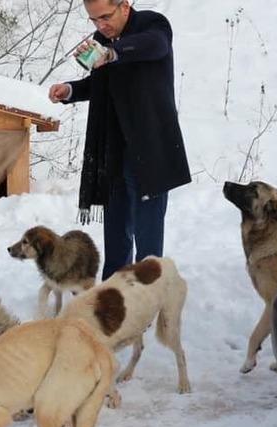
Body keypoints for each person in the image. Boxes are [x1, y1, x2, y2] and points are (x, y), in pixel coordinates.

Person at [48, 0, 190, 280]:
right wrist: (69, 90)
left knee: (147, 242)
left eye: (105, 17)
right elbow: (99, 85)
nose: (100, 26)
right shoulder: (102, 40)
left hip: (149, 151)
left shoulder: (153, 24)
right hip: (112, 152)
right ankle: (112, 299)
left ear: (124, 6)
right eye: (93, 21)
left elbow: (154, 46)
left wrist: (112, 53)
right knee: (115, 239)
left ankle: (147, 300)